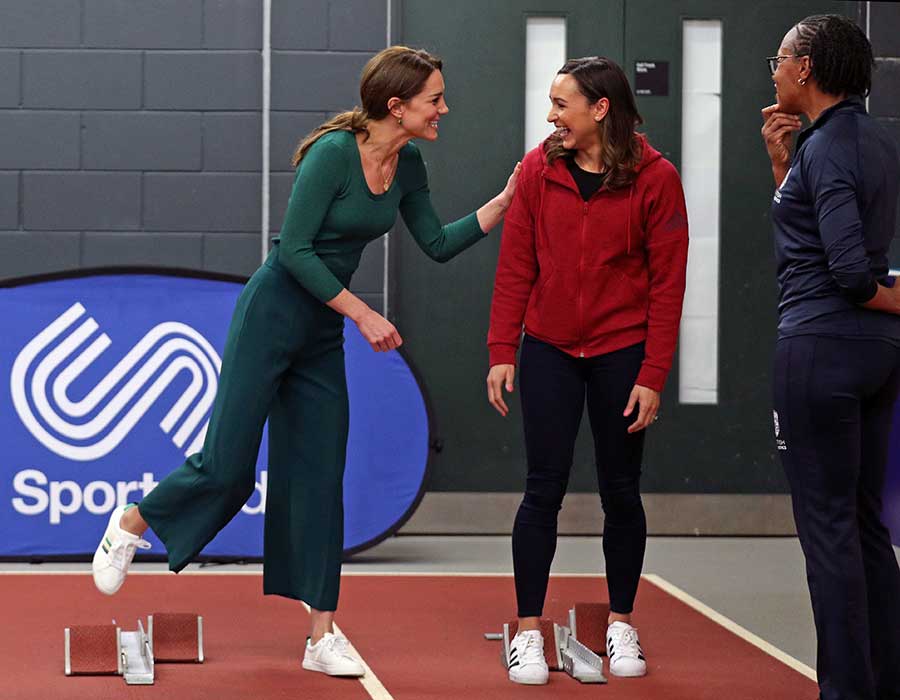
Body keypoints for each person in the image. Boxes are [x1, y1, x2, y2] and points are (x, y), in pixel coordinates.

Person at [91, 45, 520, 679]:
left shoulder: (409, 164)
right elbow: (293, 250)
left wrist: (507, 200)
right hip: (272, 315)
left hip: (321, 331)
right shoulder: (331, 156)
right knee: (228, 469)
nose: (444, 109)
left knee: (320, 478)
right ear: (396, 106)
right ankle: (132, 520)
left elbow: (435, 242)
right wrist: (364, 314)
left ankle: (321, 634)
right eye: (435, 99)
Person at [486, 56, 688, 685]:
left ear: (601, 109)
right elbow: (516, 265)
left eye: (561, 105)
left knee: (621, 492)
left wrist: (653, 372)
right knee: (541, 488)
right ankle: (525, 633)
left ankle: (621, 623)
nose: (551, 117)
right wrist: (501, 351)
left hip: (621, 354)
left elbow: (669, 284)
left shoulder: (656, 179)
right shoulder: (537, 170)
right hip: (548, 350)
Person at [761, 14, 900, 700]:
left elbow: (849, 273)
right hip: (873, 354)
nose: (774, 68)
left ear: (807, 69)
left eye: (781, 58)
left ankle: (844, 690)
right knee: (865, 521)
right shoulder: (865, 139)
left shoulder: (828, 148)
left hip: (820, 349)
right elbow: (819, 236)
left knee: (829, 532)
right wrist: (782, 164)